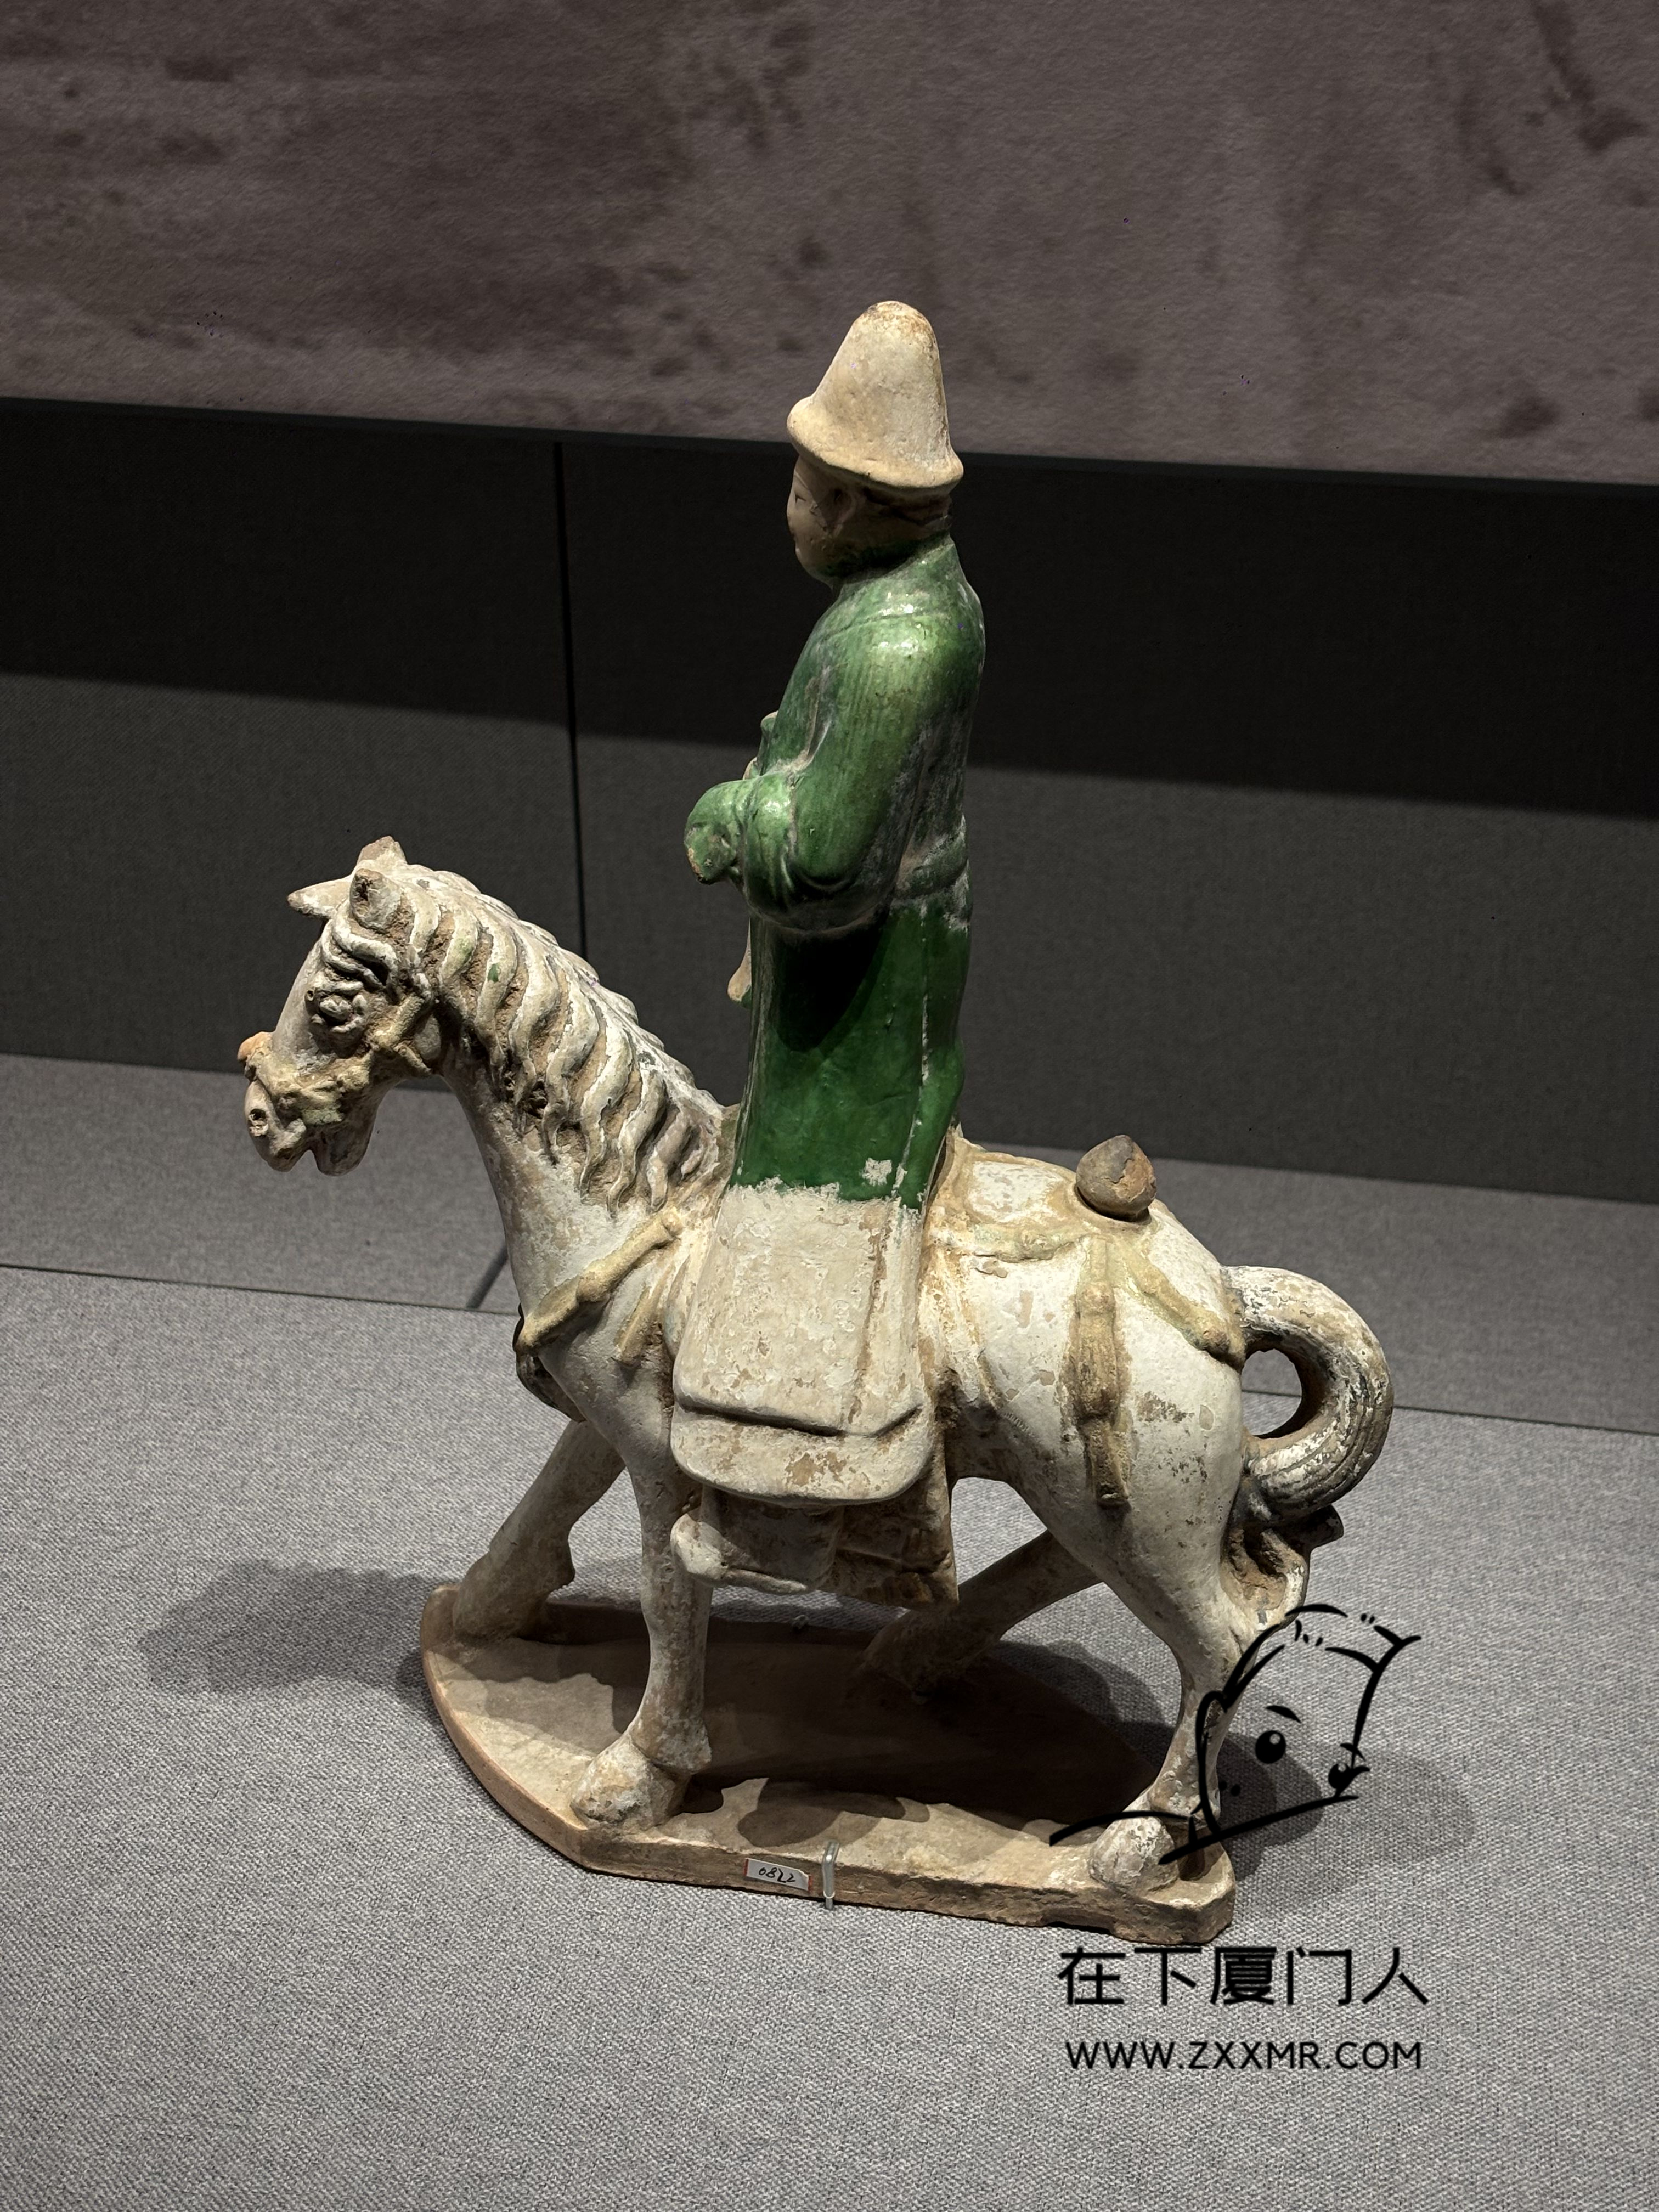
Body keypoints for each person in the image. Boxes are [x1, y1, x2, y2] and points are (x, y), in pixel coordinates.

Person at [672, 301, 985, 1522]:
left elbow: (827, 868)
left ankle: (809, 1477)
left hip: (869, 986)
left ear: (851, 504)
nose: (792, 505)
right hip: (858, 975)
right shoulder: (903, 605)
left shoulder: (896, 644)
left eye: (804, 486)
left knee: (808, 1227)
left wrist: (728, 816)